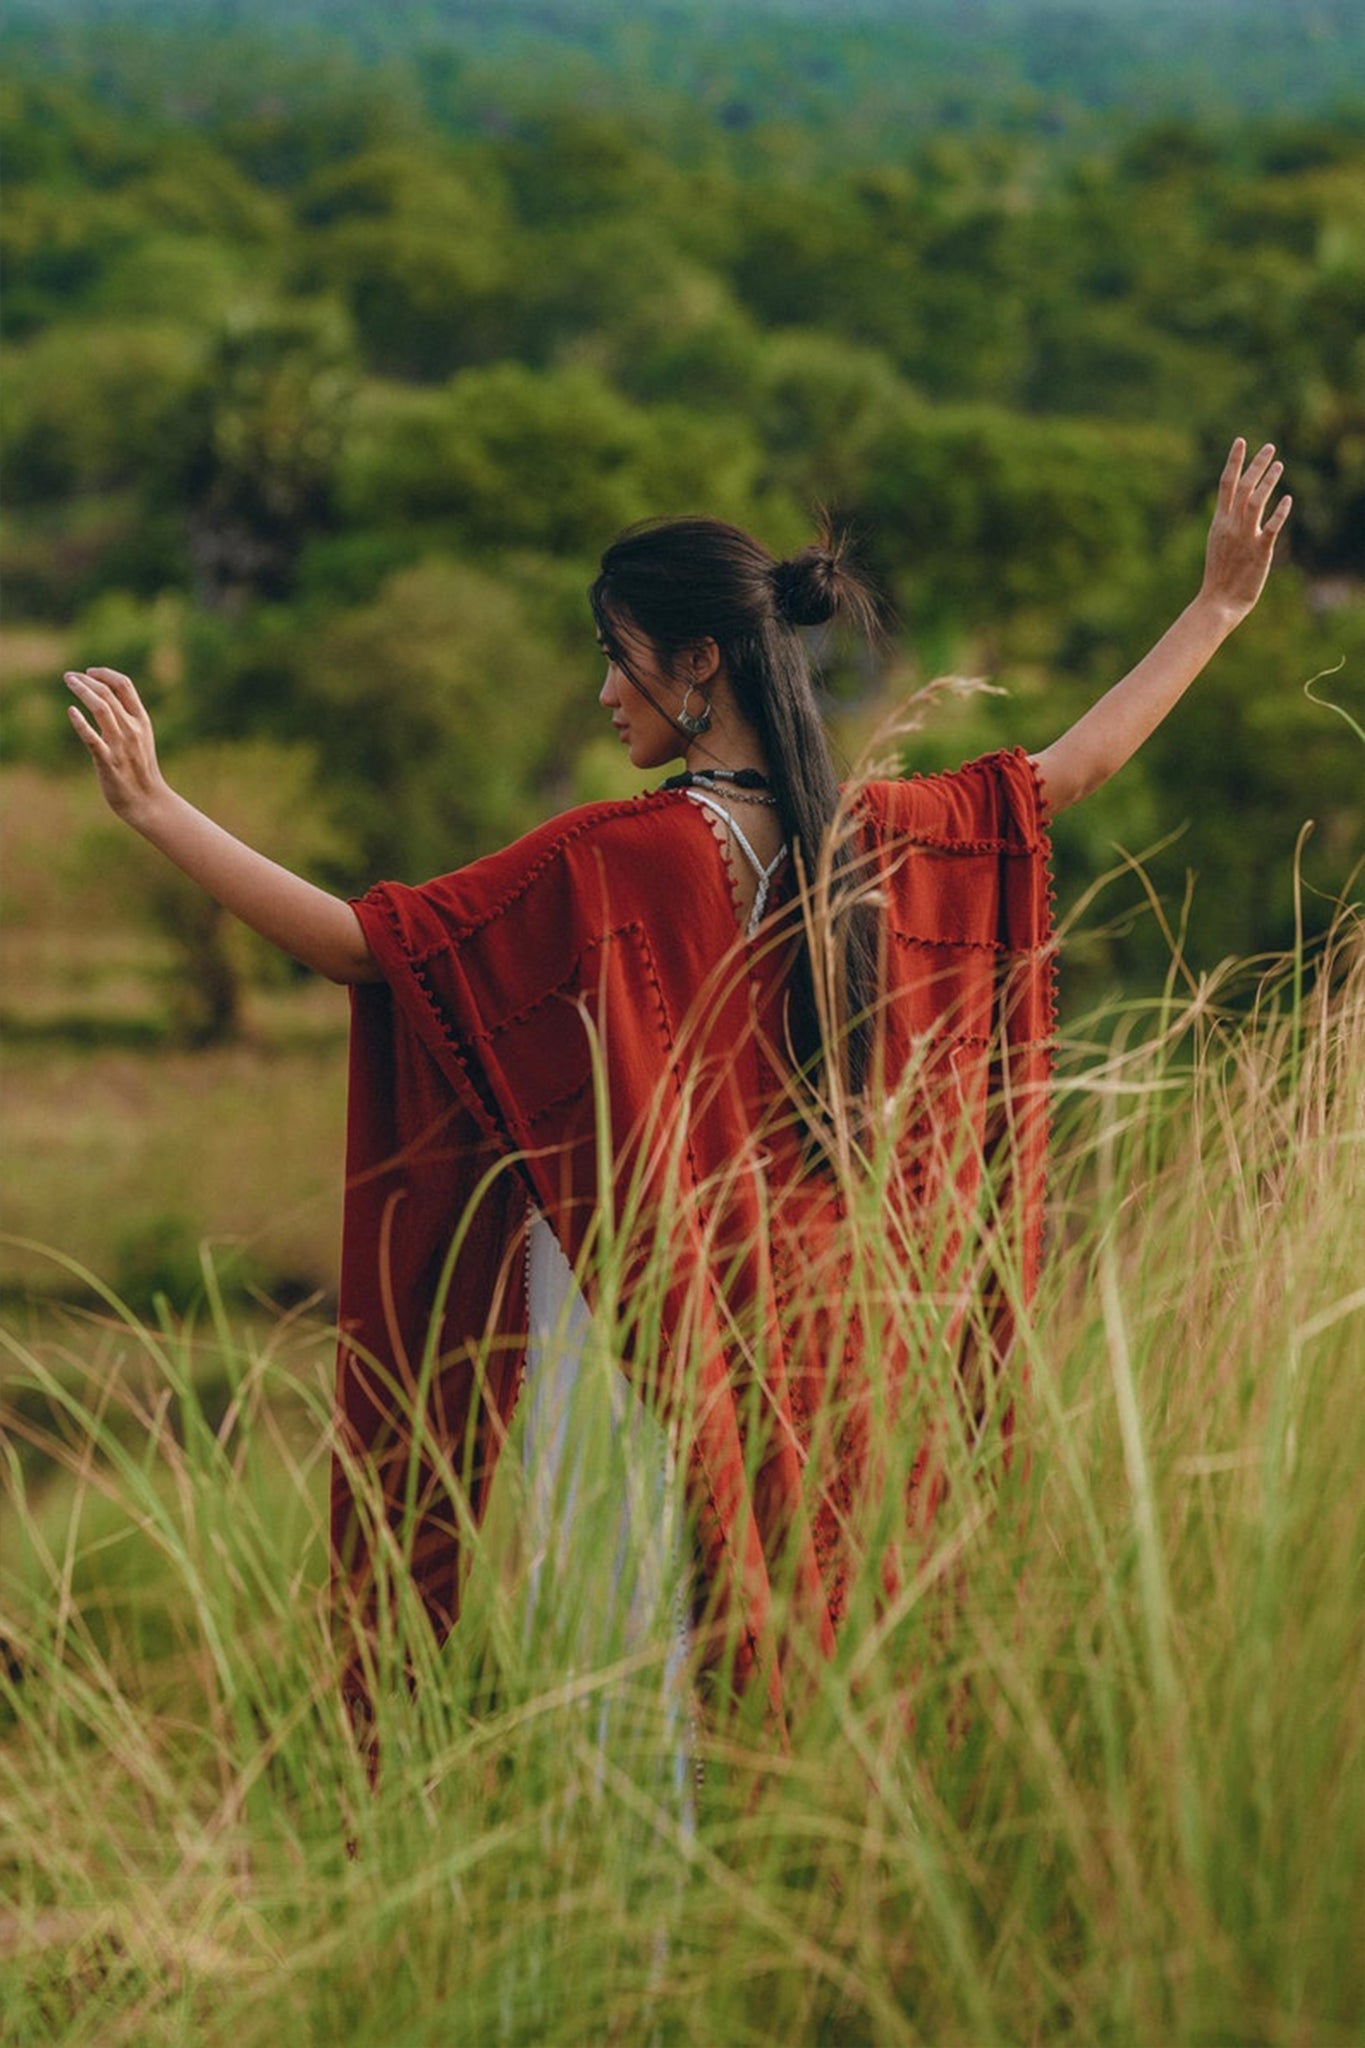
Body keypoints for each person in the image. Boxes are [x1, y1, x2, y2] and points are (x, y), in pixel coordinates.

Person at [65, 437, 1290, 1735]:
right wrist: (1212, 606)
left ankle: (639, 1940)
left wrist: (154, 807)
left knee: (635, 1693)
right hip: (840, 1339)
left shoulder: (615, 858)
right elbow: (1067, 771)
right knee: (814, 1674)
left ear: (698, 660)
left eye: (617, 651)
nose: (604, 691)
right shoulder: (883, 835)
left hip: (642, 1343)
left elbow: (365, 949)